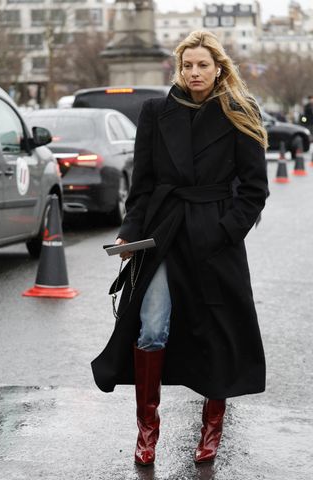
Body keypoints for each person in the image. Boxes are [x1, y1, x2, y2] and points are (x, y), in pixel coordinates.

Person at [91, 30, 268, 466]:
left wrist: (224, 231)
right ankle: (147, 432)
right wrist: (129, 233)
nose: (194, 72)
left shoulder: (238, 111)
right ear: (179, 66)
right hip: (163, 232)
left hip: (213, 236)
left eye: (202, 65)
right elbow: (143, 186)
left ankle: (212, 428)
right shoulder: (155, 112)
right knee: (151, 326)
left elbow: (254, 190)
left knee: (215, 330)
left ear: (218, 68)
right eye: (187, 65)